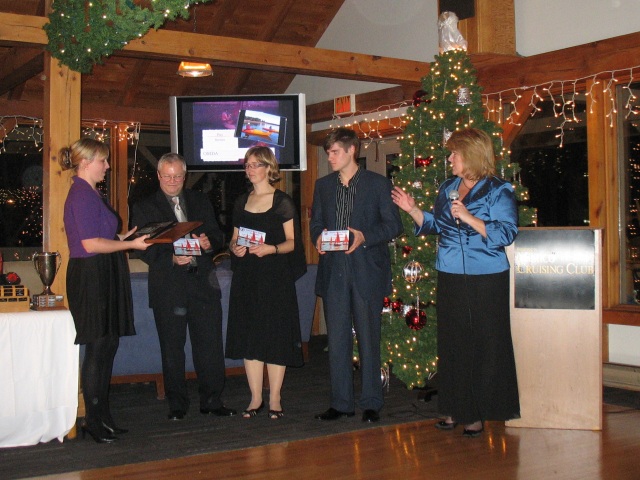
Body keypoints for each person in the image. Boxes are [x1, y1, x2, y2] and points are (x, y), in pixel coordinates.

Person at [391, 128, 520, 437]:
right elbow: (436, 224)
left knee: (485, 344)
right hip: (450, 272)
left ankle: (475, 413)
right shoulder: (449, 186)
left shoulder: (498, 190)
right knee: (453, 343)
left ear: (471, 156)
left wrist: (471, 218)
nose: (449, 159)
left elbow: (506, 233)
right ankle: (453, 409)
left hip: (487, 277)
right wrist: (412, 209)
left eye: (454, 154)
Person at [131, 153, 236, 421]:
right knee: (172, 349)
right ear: (158, 176)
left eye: (178, 176)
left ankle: (212, 400)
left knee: (210, 346)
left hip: (204, 285)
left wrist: (208, 243)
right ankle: (177, 405)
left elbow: (217, 235)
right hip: (169, 287)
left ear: (185, 175)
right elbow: (142, 249)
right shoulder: (144, 207)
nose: (172, 181)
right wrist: (170, 257)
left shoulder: (199, 200)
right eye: (167, 176)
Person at [60, 138, 151, 443]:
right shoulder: (82, 195)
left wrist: (122, 236)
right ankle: (92, 420)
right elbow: (89, 245)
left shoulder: (90, 193)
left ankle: (103, 417)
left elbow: (100, 236)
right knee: (97, 348)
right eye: (104, 161)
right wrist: (129, 244)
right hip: (91, 275)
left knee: (107, 345)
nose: (108, 166)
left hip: (102, 272)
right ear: (86, 162)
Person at [310, 128, 403, 423]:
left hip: (367, 272)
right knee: (336, 340)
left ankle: (372, 401)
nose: (330, 157)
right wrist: (317, 240)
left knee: (368, 337)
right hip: (334, 271)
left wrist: (365, 237)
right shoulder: (323, 185)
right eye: (328, 153)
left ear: (352, 151)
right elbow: (316, 224)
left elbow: (393, 226)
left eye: (334, 152)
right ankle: (341, 403)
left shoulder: (377, 184)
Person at [226, 146, 307, 420]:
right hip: (247, 276)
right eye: (247, 165)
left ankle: (274, 398)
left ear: (268, 168)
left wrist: (271, 249)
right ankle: (255, 398)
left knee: (275, 336)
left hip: (274, 278)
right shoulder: (241, 201)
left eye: (254, 164)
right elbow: (234, 238)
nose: (249, 169)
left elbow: (293, 243)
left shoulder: (282, 201)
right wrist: (235, 248)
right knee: (250, 337)